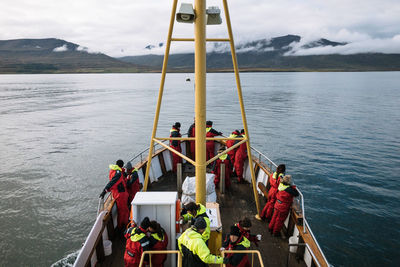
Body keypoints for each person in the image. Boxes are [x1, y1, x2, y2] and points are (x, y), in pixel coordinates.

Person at [99, 159, 129, 229]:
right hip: (120, 194)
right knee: (123, 211)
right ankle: (122, 226)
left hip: (118, 193)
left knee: (123, 210)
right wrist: (105, 190)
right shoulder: (118, 173)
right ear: (121, 165)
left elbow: (113, 181)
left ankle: (123, 224)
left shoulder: (114, 170)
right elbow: (113, 182)